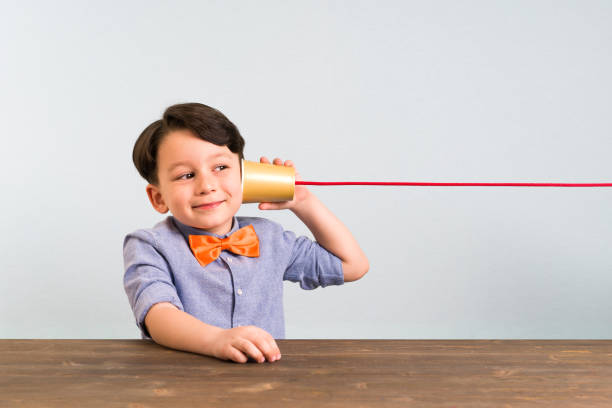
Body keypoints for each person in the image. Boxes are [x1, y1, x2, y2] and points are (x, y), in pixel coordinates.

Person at [123, 102, 369, 363]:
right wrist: (217, 340)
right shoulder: (149, 245)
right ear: (158, 197)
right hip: (181, 381)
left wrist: (303, 201)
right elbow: (159, 315)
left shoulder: (270, 237)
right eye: (186, 175)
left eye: (220, 168)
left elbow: (353, 265)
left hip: (264, 384)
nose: (207, 185)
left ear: (246, 175)